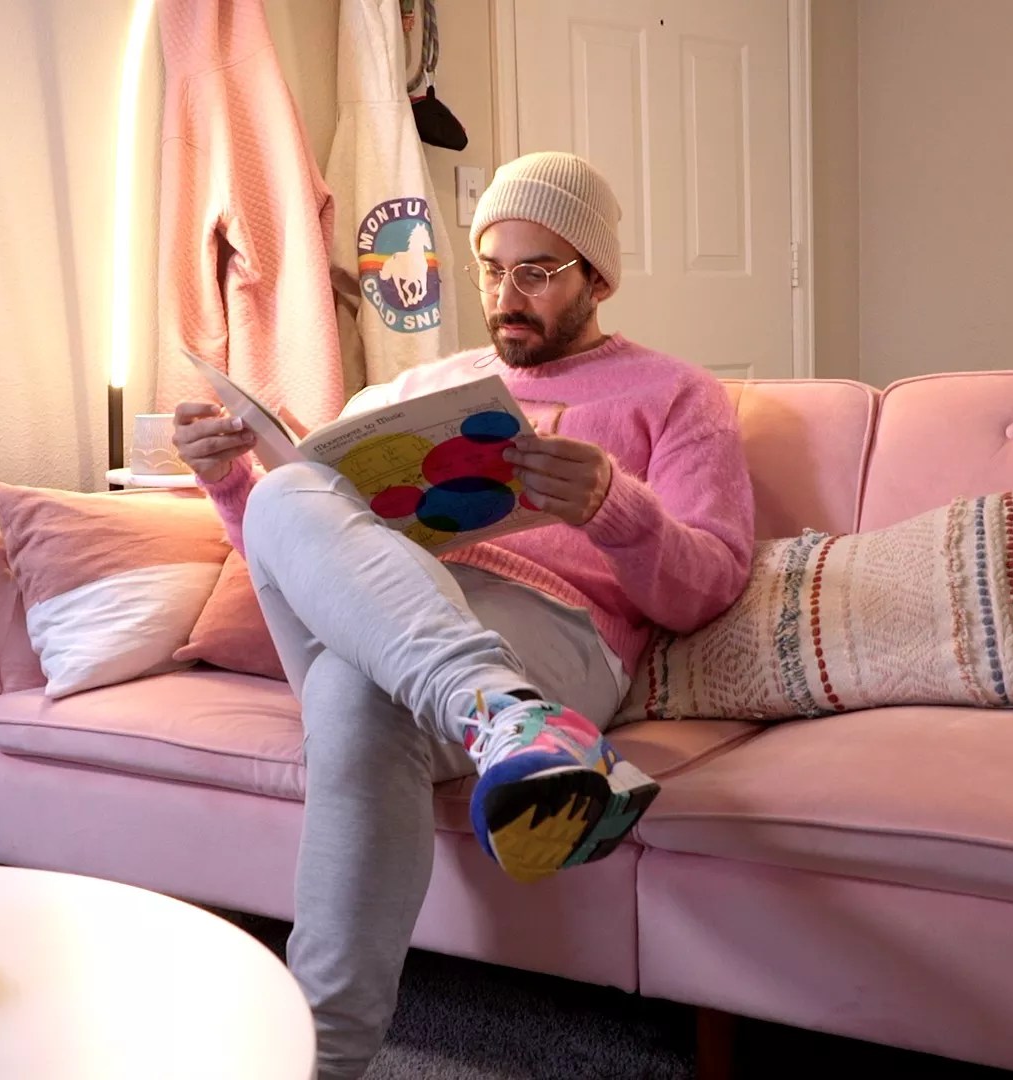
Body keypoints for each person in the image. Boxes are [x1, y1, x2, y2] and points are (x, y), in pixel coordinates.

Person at [171, 151, 756, 1079]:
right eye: (491, 268)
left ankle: (319, 1063)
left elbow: (712, 585)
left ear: (596, 277)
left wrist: (612, 503)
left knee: (357, 705)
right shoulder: (411, 393)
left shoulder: (679, 396)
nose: (506, 294)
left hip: (555, 628)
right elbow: (297, 561)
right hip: (401, 621)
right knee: (286, 503)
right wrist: (225, 477)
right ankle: (505, 717)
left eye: (536, 272)